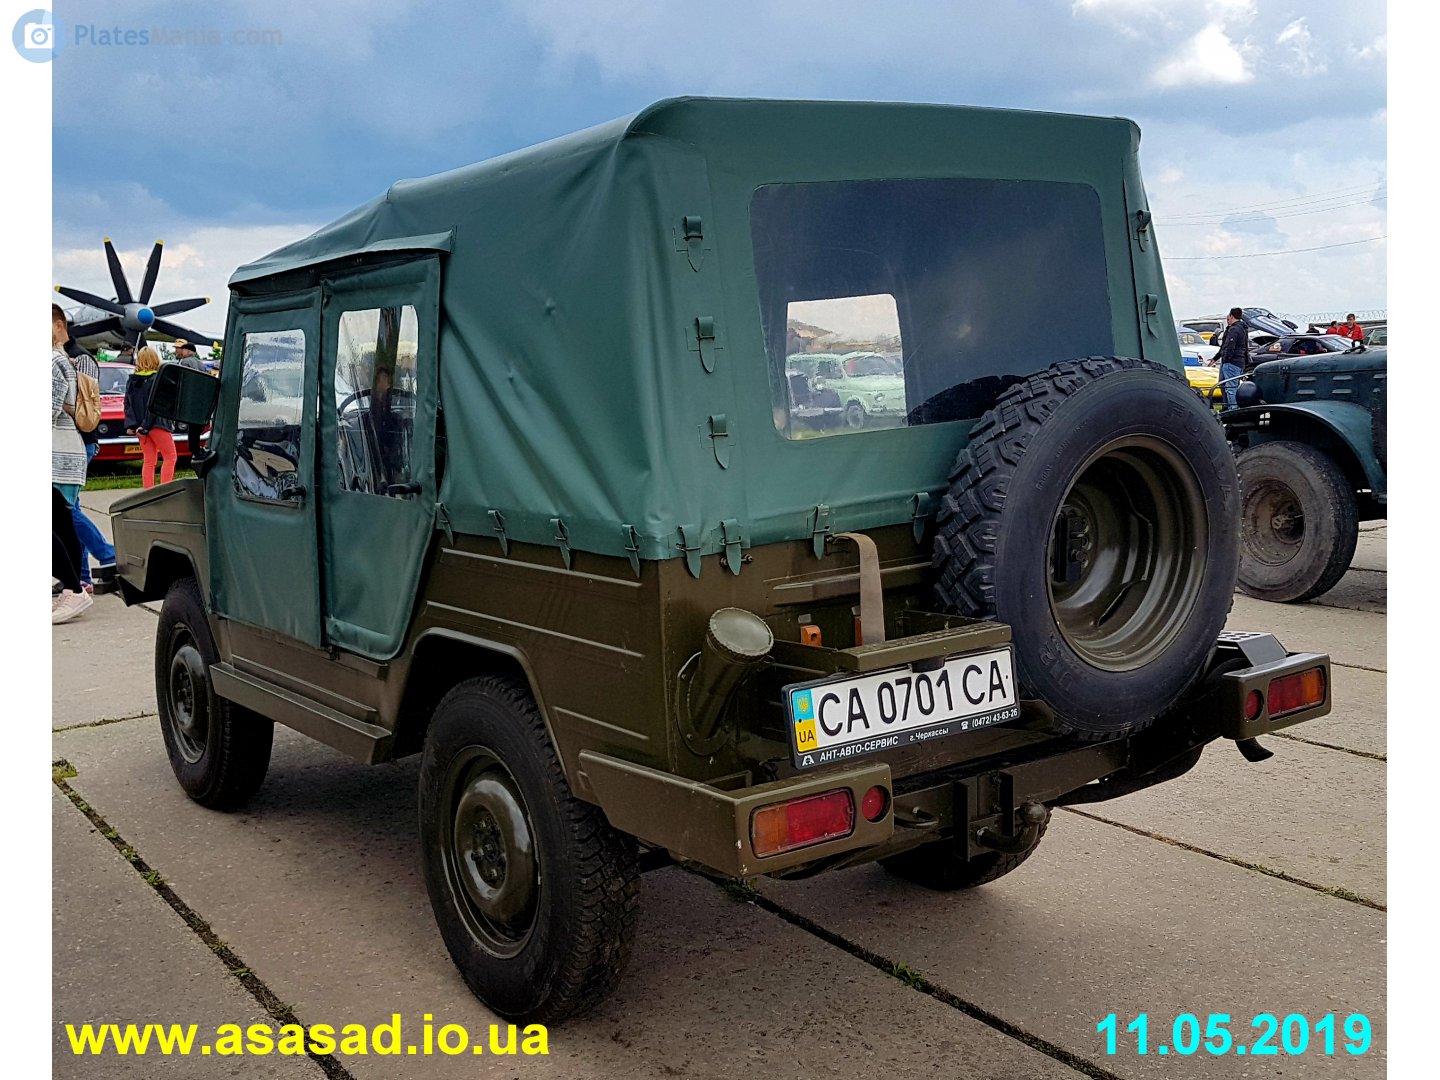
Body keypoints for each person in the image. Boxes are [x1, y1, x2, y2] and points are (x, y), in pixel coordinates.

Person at [58, 311, 118, 593]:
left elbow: (87, 407)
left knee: (66, 511)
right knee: (69, 511)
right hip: (67, 442)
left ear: (59, 325)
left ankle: (109, 556)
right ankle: (80, 576)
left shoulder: (79, 359)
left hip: (79, 442)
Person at [52, 307, 92, 623]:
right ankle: (74, 587)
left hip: (57, 455)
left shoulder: (52, 362)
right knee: (62, 525)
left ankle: (74, 589)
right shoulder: (62, 360)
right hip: (63, 454)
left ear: (57, 325)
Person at [125, 345, 178, 488]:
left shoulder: (132, 381)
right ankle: (165, 489)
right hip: (157, 424)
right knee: (170, 457)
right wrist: (146, 425)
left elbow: (128, 404)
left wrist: (133, 425)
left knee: (149, 460)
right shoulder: (158, 380)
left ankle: (147, 490)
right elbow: (157, 405)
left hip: (139, 427)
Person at [171, 339, 211, 461]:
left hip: (189, 398)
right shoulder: (201, 364)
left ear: (188, 351)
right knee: (196, 428)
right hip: (200, 400)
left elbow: (182, 379)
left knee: (187, 427)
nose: (180, 351)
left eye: (182, 349)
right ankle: (198, 449)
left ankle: (194, 449)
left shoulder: (185, 362)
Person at [1215, 307, 1249, 410]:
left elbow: (1229, 347)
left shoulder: (1234, 329)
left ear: (1231, 316)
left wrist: (1226, 359)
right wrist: (1216, 358)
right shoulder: (1243, 328)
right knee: (1224, 384)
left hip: (1231, 362)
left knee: (1230, 387)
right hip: (1238, 361)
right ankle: (1227, 407)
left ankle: (1233, 409)